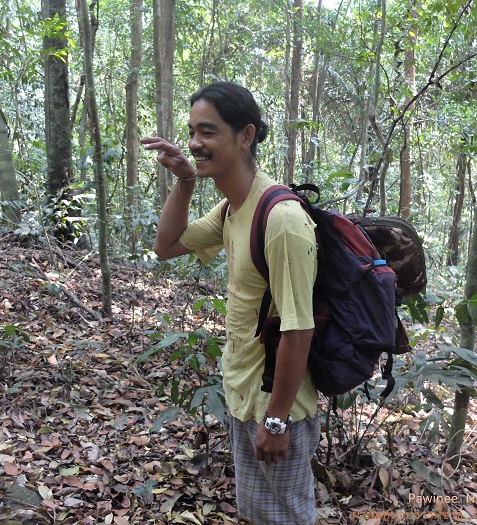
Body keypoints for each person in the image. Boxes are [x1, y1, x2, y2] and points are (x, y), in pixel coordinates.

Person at [142, 81, 321, 525]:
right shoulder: (232, 209)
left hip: (277, 407)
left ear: (246, 136)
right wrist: (185, 181)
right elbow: (166, 246)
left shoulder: (281, 219)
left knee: (286, 519)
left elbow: (299, 329)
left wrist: (276, 421)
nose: (194, 143)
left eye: (208, 132)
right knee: (259, 515)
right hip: (246, 395)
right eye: (191, 132)